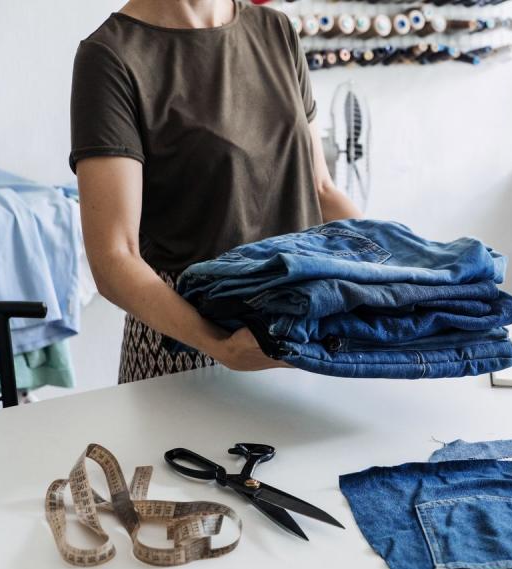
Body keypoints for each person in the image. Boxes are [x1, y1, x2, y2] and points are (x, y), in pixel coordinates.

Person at [70, 0, 362, 383]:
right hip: (189, 339)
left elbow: (321, 190)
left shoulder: (276, 31)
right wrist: (220, 344)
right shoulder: (111, 56)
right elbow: (114, 257)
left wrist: (386, 275)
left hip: (302, 323)